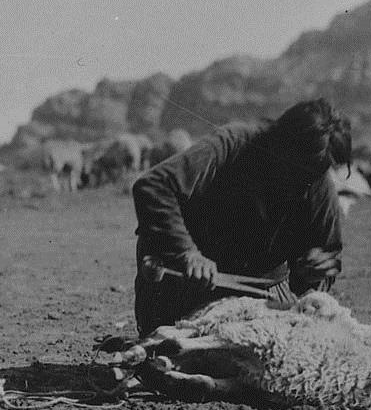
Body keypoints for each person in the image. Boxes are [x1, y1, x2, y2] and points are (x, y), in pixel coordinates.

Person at [130, 98, 349, 337]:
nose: (305, 179)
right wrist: (186, 253)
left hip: (261, 294)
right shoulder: (233, 143)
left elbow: (327, 257)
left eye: (316, 169)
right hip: (187, 283)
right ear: (281, 144)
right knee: (169, 351)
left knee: (276, 357)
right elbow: (153, 186)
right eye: (298, 166)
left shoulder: (316, 178)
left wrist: (314, 274)